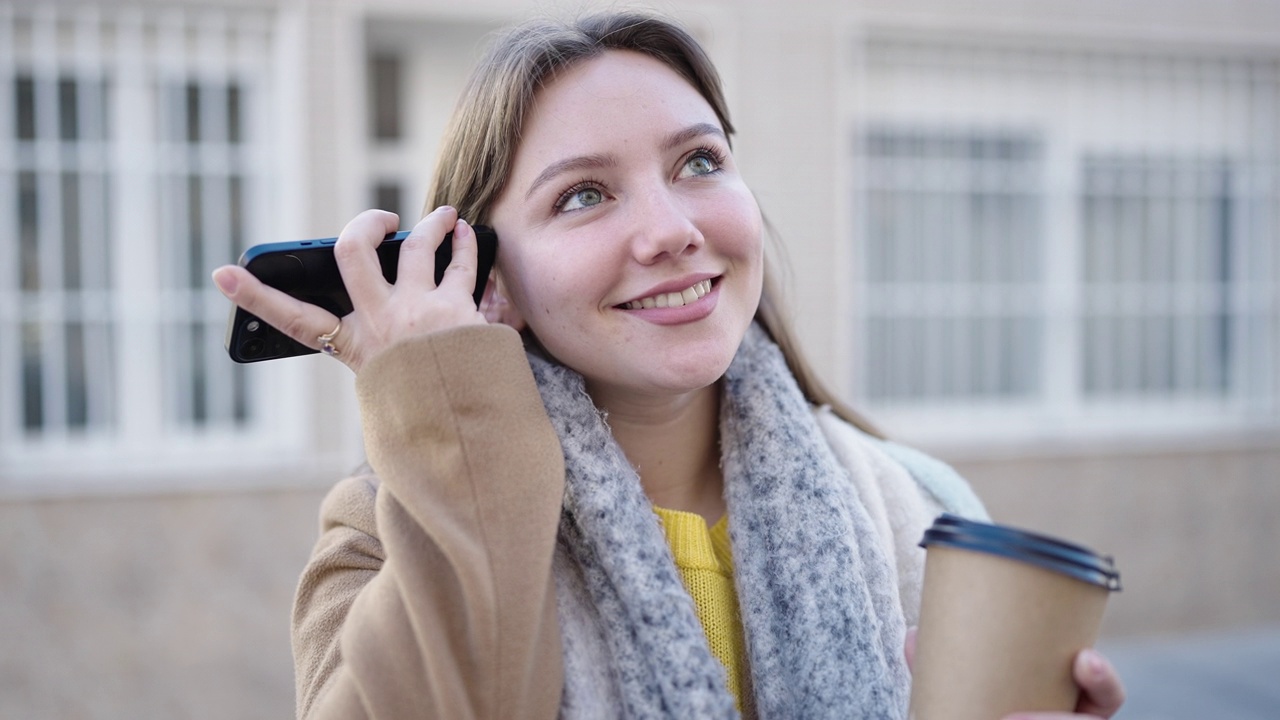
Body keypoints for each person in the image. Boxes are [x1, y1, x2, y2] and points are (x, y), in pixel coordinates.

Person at [212, 11, 1125, 720]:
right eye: (583, 194)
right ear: (487, 277)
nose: (673, 230)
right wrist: (441, 408)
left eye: (698, 161)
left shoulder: (921, 512)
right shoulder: (383, 536)